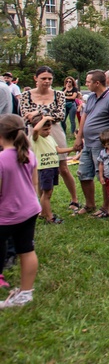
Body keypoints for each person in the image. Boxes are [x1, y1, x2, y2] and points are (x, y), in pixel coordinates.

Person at [19, 66, 79, 213]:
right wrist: (45, 114)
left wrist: (37, 113)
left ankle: (75, 199)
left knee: (63, 167)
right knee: (38, 167)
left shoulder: (59, 94)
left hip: (55, 131)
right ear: (36, 79)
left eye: (49, 79)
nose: (46, 81)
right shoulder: (26, 95)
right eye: (43, 78)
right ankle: (42, 205)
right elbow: (25, 117)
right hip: (34, 133)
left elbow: (60, 115)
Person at [0, 114, 40, 309]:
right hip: (30, 209)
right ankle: (25, 293)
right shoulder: (29, 154)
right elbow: (34, 182)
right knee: (26, 249)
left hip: (7, 215)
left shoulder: (1, 159)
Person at [74, 70, 109, 215]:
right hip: (88, 144)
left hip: (101, 146)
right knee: (83, 174)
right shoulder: (91, 97)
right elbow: (84, 117)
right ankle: (90, 204)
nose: (86, 84)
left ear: (97, 83)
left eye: (88, 81)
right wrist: (79, 137)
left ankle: (106, 207)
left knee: (105, 176)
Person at [30, 115, 74, 224]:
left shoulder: (49, 138)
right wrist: (44, 118)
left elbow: (58, 150)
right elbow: (35, 129)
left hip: (53, 167)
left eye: (49, 129)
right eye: (45, 129)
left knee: (49, 192)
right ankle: (49, 217)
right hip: (45, 168)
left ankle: (44, 212)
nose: (48, 131)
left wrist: (73, 148)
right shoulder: (36, 138)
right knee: (47, 193)